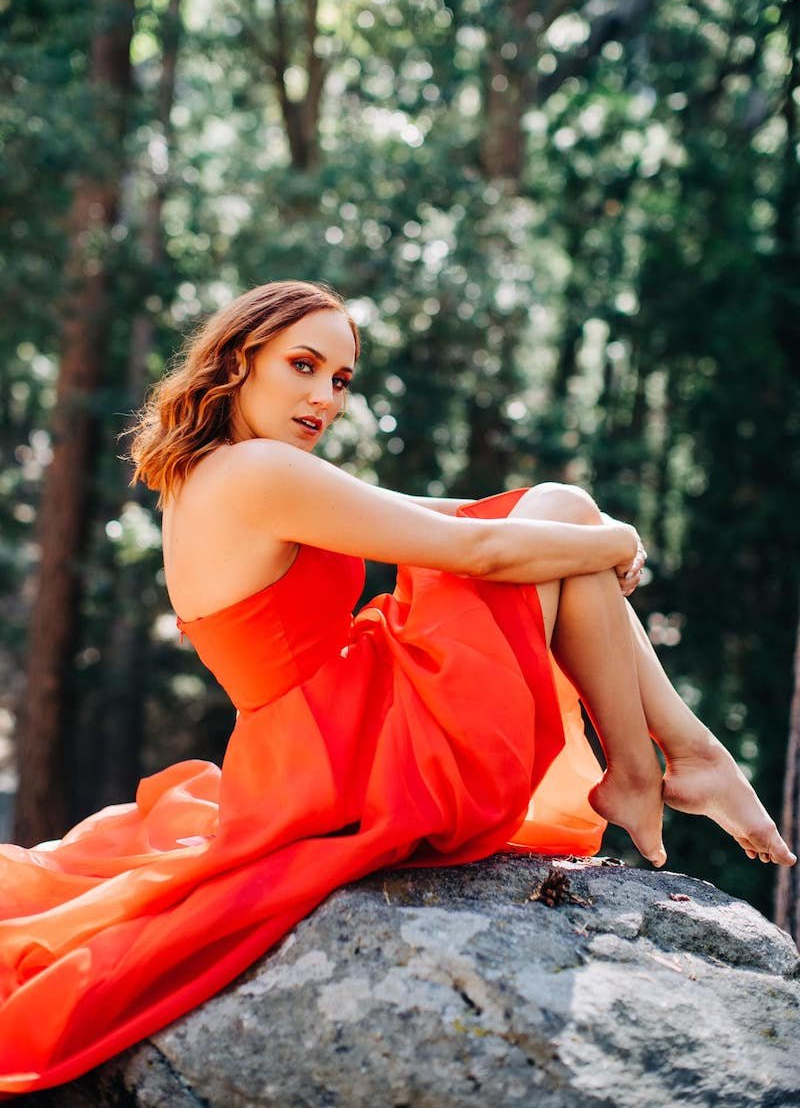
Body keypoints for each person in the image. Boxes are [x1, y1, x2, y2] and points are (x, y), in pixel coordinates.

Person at [0, 279, 793, 1094]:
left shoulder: (218, 469)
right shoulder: (259, 470)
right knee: (563, 516)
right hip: (352, 764)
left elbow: (442, 515)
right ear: (240, 362)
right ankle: (657, 763)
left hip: (326, 740)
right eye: (303, 365)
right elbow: (479, 554)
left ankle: (670, 760)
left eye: (340, 379)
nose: (324, 397)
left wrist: (581, 531)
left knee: (561, 516)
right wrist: (614, 535)